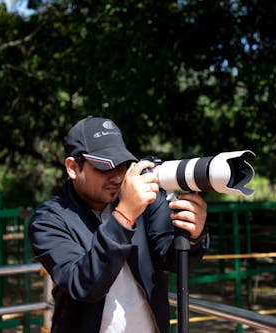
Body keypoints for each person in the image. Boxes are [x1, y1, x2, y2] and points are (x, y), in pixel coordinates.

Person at [28, 116, 209, 333]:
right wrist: (124, 215)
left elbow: (174, 261)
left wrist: (194, 235)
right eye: (104, 167)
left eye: (122, 166)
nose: (117, 177)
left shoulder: (146, 201)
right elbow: (83, 285)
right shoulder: (49, 219)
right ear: (73, 167)